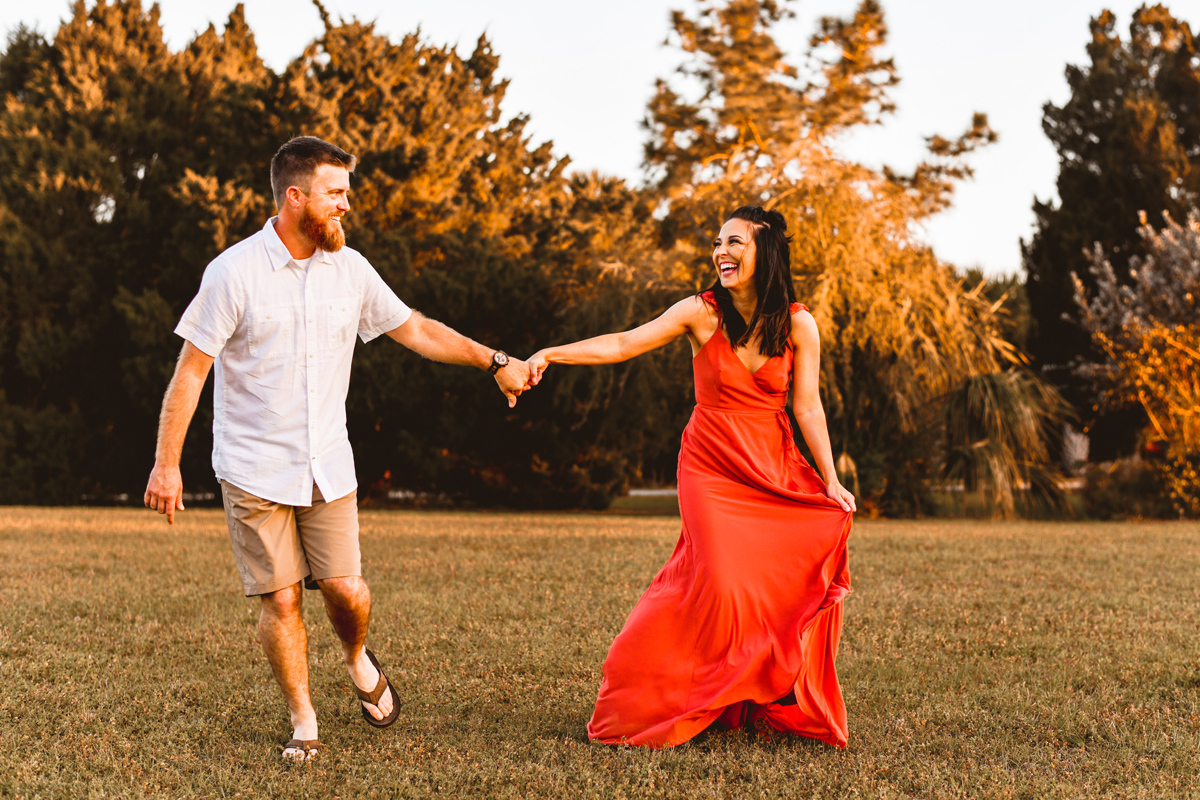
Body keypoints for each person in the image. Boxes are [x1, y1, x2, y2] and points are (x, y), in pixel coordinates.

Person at [143, 136, 533, 761]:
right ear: (295, 197)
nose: (346, 206)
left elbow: (417, 328)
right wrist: (167, 464)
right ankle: (304, 720)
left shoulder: (350, 270)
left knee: (347, 589)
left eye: (347, 193)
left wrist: (494, 361)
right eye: (335, 193)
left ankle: (356, 657)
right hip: (253, 467)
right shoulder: (233, 273)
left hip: (329, 464)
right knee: (282, 598)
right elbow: (191, 372)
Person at [527, 205, 856, 748]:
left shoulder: (798, 322)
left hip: (770, 462)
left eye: (735, 243)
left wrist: (831, 478)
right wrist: (552, 354)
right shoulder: (700, 313)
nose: (721, 253)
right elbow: (622, 342)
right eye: (717, 244)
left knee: (771, 584)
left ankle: (754, 691)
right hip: (710, 465)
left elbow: (810, 406)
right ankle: (651, 688)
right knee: (721, 580)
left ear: (766, 250)